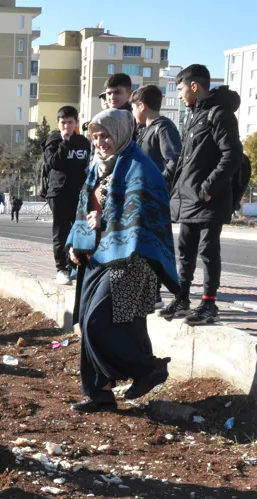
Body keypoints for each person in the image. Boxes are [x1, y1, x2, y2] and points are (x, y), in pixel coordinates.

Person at [67, 110, 180, 413]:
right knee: (102, 324)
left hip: (132, 258)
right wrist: (75, 242)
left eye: (106, 136)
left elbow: (144, 216)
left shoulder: (140, 168)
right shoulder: (98, 168)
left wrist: (104, 220)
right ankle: (100, 393)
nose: (101, 142)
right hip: (97, 256)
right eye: (96, 137)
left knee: (99, 324)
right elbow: (83, 207)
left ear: (120, 133)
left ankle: (148, 370)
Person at [161, 64, 242, 326]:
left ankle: (209, 303)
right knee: (184, 251)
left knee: (208, 251)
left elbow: (232, 155)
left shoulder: (219, 114)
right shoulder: (193, 116)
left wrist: (208, 188)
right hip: (188, 198)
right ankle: (182, 297)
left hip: (208, 199)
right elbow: (187, 159)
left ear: (194, 86)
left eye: (182, 88)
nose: (181, 94)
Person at [43, 106, 92, 286]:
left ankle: (74, 267)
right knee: (61, 232)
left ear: (76, 123)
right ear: (58, 123)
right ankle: (61, 269)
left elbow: (86, 167)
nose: (67, 126)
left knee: (79, 231)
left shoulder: (83, 142)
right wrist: (64, 143)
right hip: (59, 193)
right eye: (63, 122)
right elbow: (53, 163)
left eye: (70, 122)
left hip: (79, 193)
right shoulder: (54, 140)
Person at [132, 85, 181, 181]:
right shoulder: (145, 129)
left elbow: (174, 161)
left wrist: (159, 182)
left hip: (155, 191)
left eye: (133, 108)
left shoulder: (163, 127)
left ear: (141, 106)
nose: (132, 113)